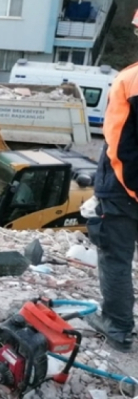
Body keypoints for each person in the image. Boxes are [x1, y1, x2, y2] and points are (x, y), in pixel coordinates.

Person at [86, 62, 138, 353]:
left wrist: (132, 189)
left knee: (116, 259)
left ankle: (117, 327)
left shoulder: (131, 80)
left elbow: (119, 146)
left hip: (123, 191)